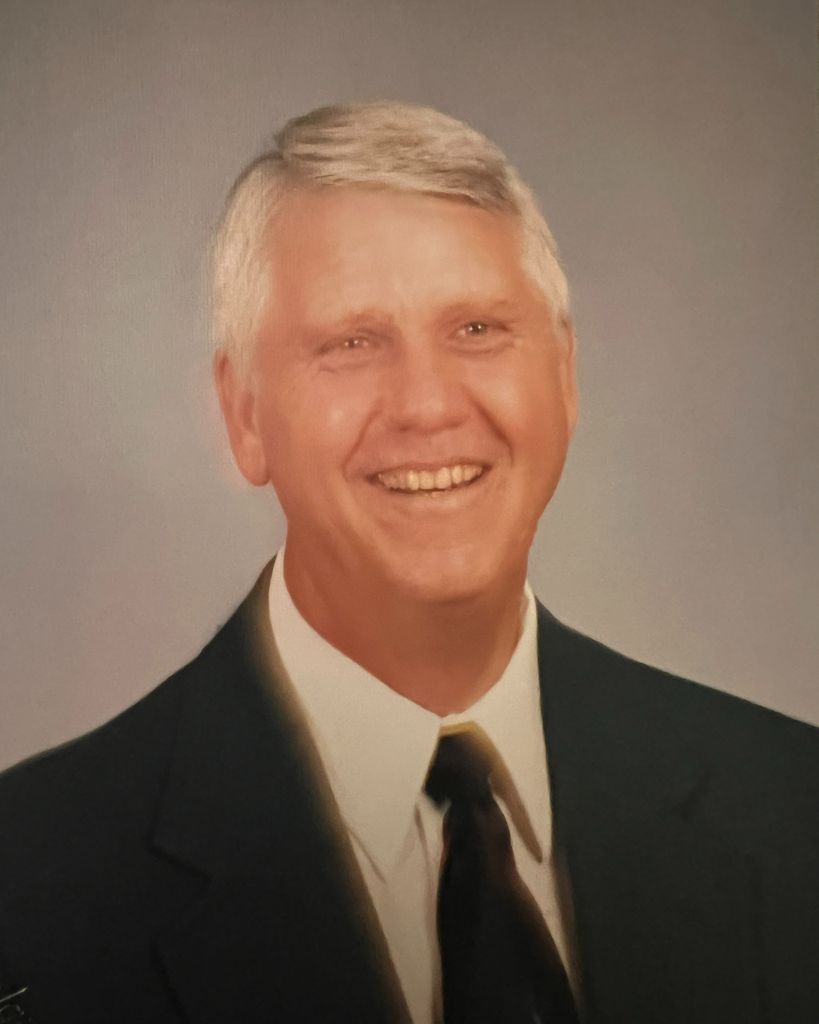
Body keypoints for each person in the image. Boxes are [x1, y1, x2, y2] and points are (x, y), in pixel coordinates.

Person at [0, 102, 816, 1024]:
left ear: (565, 378)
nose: (427, 405)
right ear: (244, 415)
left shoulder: (794, 808)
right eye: (351, 344)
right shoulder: (29, 884)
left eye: (477, 329)